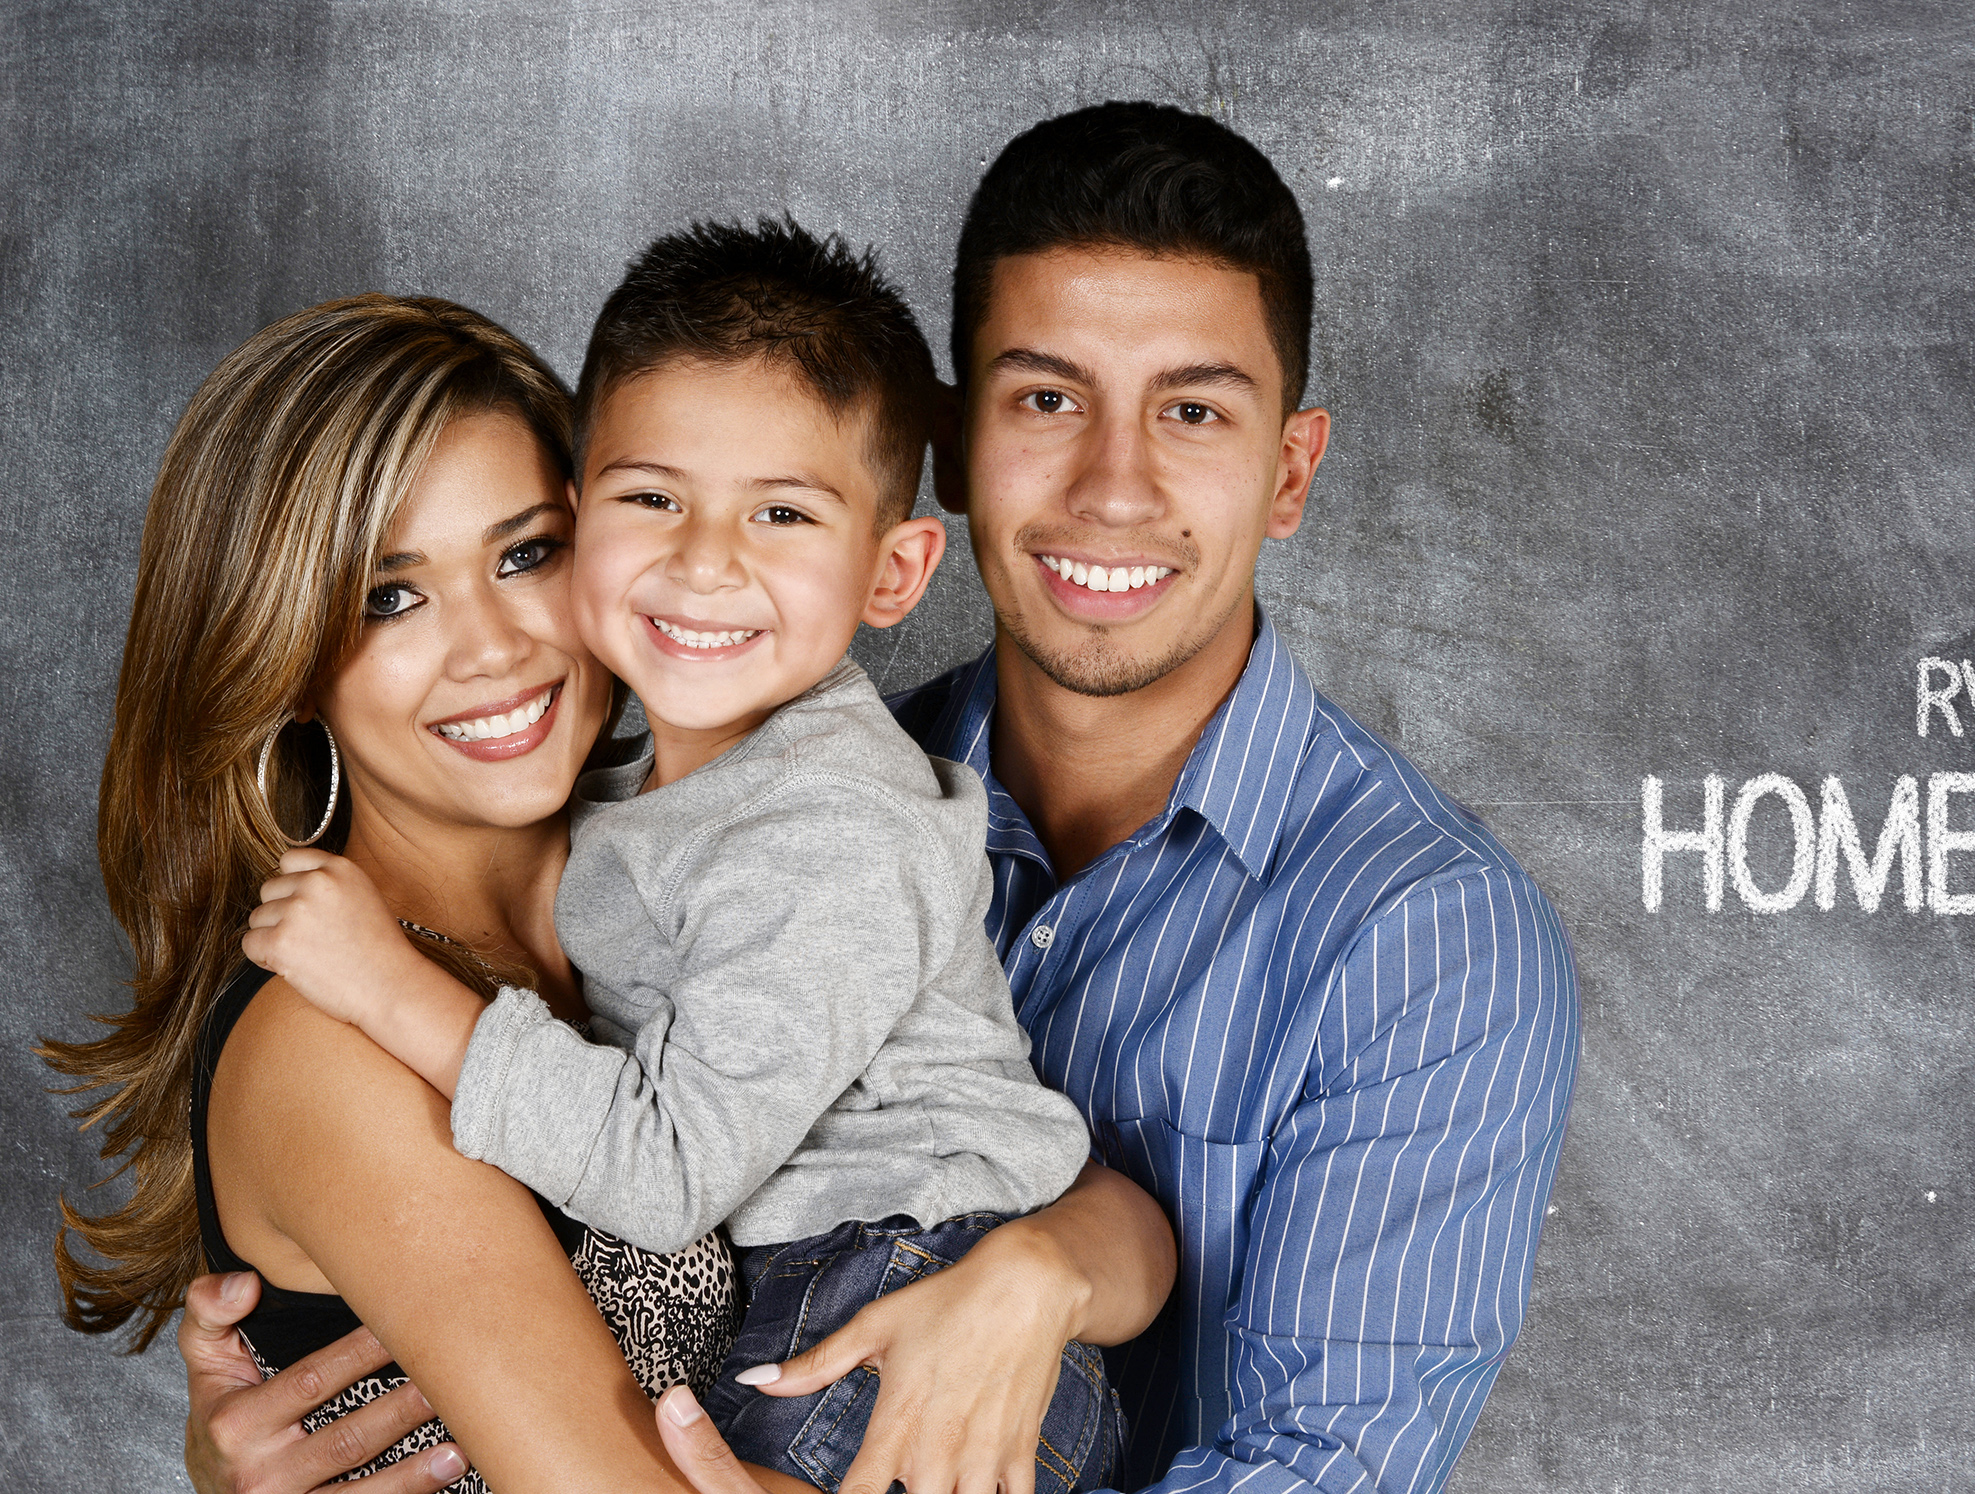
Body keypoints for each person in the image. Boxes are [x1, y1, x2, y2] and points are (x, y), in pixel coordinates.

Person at [192, 102, 1581, 1494]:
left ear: (1287, 470)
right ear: (960, 446)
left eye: (1193, 410)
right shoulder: (739, 798)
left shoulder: (1422, 933)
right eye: (1046, 399)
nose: (1113, 485)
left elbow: (1320, 1462)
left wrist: (1046, 1267)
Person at [238, 221, 1124, 1491]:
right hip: (847, 1291)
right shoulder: (652, 814)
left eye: (518, 553)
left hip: (884, 1306)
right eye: (652, 499)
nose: (706, 562)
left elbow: (661, 1175)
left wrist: (389, 984)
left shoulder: (819, 831)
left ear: (893, 572)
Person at [52, 292, 736, 1494]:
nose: (492, 649)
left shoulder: (694, 879)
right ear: (284, 654)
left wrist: (1036, 1268)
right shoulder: (329, 1039)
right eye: (391, 596)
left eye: (526, 554)